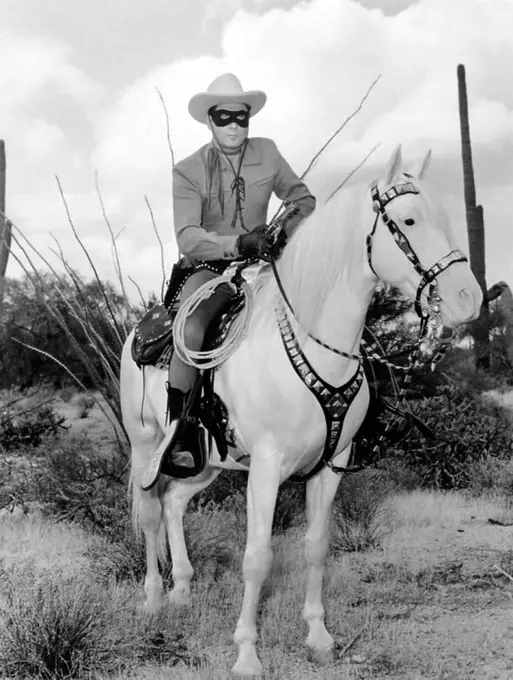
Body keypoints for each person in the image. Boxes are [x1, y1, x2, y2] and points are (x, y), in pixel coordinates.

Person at [145, 72, 316, 484]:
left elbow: (304, 199)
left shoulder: (269, 153)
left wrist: (280, 232)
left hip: (266, 265)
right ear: (209, 120)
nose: (234, 124)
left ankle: (339, 417)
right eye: (224, 117)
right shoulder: (187, 171)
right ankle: (182, 432)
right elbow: (188, 237)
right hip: (210, 269)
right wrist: (238, 244)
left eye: (241, 117)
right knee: (192, 329)